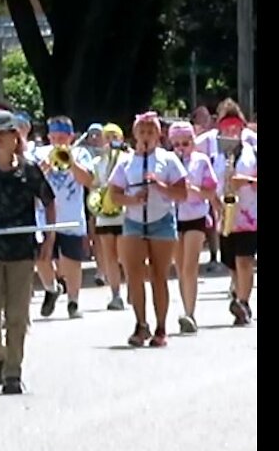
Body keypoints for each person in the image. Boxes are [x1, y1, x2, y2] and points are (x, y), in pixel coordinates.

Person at [0, 110, 55, 395]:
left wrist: (49, 238)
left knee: (17, 315)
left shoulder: (29, 171)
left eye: (5, 133)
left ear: (16, 135)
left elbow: (48, 200)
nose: (0, 139)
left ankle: (13, 373)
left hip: (22, 251)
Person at [108, 112, 189, 347]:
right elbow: (114, 195)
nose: (146, 136)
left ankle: (161, 326)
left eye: (151, 132)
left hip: (161, 220)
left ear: (159, 135)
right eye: (142, 132)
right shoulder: (126, 162)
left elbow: (182, 194)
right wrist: (133, 200)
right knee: (134, 274)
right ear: (135, 135)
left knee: (159, 275)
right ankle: (140, 323)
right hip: (134, 221)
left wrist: (160, 185)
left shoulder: (169, 160)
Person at [32, 116, 96, 319]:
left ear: (70, 137)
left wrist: (71, 162)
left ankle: (73, 302)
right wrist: (44, 166)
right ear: (49, 136)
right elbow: (30, 181)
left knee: (72, 262)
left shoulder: (80, 153)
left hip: (71, 217)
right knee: (41, 258)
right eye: (55, 137)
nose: (59, 141)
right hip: (44, 217)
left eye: (63, 137)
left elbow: (88, 181)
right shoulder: (39, 153)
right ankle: (51, 288)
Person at [168, 122, 219, 334]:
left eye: (186, 143)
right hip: (173, 217)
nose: (181, 148)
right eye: (177, 143)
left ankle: (190, 313)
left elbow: (211, 192)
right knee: (180, 268)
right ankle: (186, 307)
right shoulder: (169, 162)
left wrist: (193, 188)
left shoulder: (201, 161)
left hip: (196, 217)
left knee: (190, 266)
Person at [211, 114, 258, 325]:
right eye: (226, 128)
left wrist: (246, 181)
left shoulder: (253, 152)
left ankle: (244, 301)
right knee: (231, 262)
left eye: (235, 128)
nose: (231, 132)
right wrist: (215, 205)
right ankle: (237, 290)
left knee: (245, 259)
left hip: (249, 214)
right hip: (226, 214)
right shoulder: (216, 156)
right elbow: (210, 184)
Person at [90, 124, 130, 310]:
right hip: (105, 214)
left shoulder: (128, 159)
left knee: (126, 255)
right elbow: (95, 185)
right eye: (107, 136)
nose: (110, 140)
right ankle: (115, 294)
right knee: (110, 256)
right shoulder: (98, 162)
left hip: (124, 213)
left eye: (114, 136)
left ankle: (132, 287)